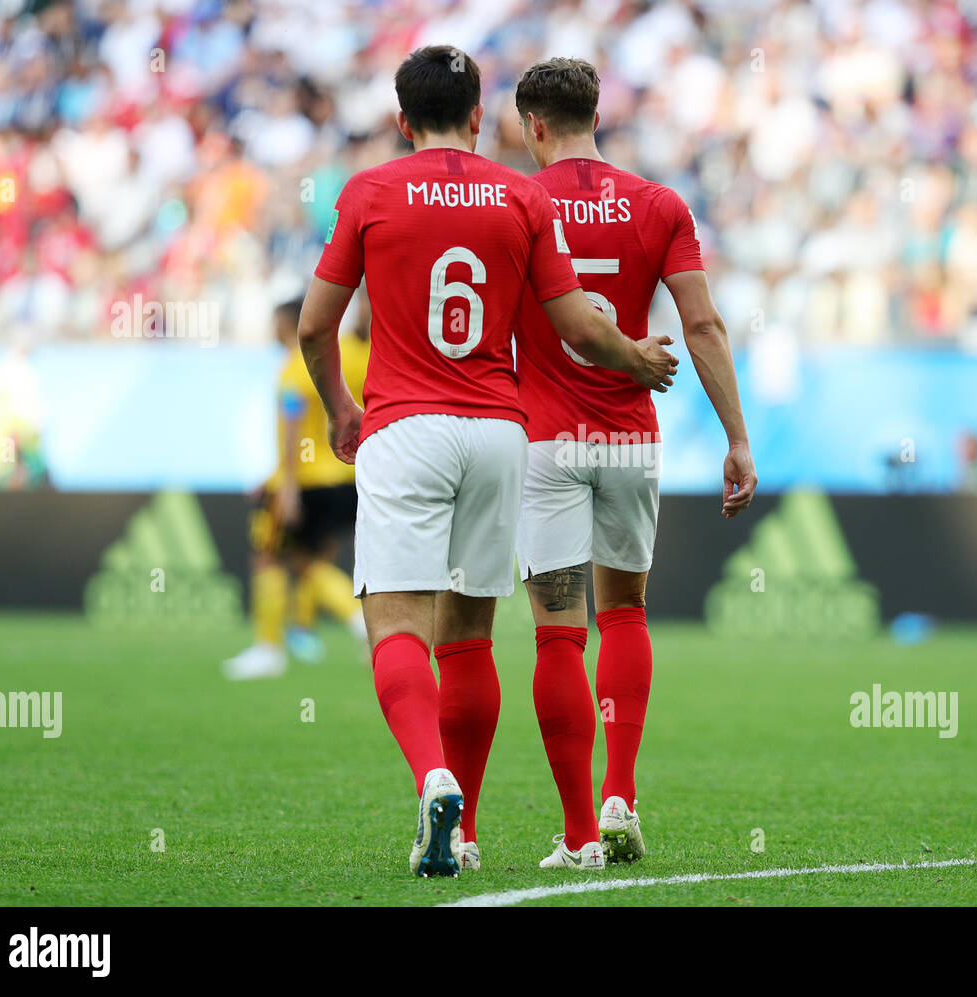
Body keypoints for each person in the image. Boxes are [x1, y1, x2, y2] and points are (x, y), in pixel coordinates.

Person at [296, 46, 678, 877]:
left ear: (402, 120)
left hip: (406, 427)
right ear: (479, 118)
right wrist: (637, 358)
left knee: (398, 625)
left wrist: (340, 411)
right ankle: (464, 828)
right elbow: (579, 325)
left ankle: (440, 788)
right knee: (470, 634)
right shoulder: (518, 194)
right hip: (503, 432)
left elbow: (314, 328)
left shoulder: (367, 192)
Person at [512, 58, 757, 869]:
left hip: (543, 440)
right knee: (623, 613)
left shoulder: (519, 201)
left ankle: (580, 833)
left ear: (535, 126)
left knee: (558, 633)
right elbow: (704, 326)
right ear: (596, 115)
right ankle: (621, 795)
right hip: (627, 438)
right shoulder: (660, 204)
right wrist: (736, 438)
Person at [223, 297, 369, 681]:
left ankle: (268, 648)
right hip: (347, 476)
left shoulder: (293, 367)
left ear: (289, 324)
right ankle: (353, 622)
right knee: (310, 563)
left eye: (274, 323)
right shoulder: (349, 357)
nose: (272, 331)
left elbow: (291, 428)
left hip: (303, 480)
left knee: (269, 558)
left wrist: (284, 485)